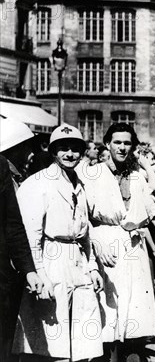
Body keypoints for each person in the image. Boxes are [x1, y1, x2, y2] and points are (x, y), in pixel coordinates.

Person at [77, 123, 155, 361]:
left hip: (133, 246)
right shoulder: (93, 174)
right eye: (117, 142)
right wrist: (96, 243)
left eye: (127, 143)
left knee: (134, 309)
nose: (122, 147)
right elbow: (84, 217)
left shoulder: (137, 176)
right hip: (106, 246)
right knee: (110, 307)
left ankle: (131, 353)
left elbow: (153, 211)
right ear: (107, 143)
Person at [13, 124, 104, 361]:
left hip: (77, 261)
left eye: (75, 149)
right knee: (50, 339)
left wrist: (92, 266)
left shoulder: (80, 184)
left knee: (82, 338)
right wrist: (40, 275)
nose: (70, 154)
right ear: (53, 151)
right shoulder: (38, 183)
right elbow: (31, 236)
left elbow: (85, 233)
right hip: (50, 258)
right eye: (63, 149)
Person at [0, 119, 43, 362]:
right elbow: (14, 225)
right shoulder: (5, 171)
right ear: (14, 148)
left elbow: (14, 225)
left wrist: (27, 268)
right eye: (28, 148)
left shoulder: (15, 176)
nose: (31, 156)